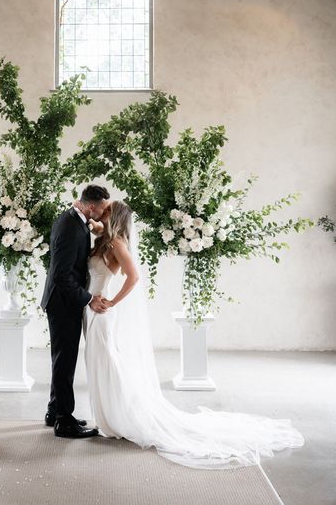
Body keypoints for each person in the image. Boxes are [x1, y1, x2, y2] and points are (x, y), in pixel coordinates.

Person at [83, 200, 305, 469]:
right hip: (91, 310)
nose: (101, 213)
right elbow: (95, 233)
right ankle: (108, 417)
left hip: (102, 311)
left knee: (108, 364)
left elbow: (134, 276)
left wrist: (113, 301)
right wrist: (91, 222)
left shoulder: (117, 243)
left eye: (106, 211)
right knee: (98, 363)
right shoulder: (105, 239)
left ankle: (120, 418)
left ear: (114, 216)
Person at [40, 184, 110, 439]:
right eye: (101, 210)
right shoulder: (71, 226)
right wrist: (88, 298)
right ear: (91, 206)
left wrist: (98, 228)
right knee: (64, 360)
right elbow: (61, 275)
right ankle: (63, 421)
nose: (103, 215)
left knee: (62, 358)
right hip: (62, 302)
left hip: (63, 301)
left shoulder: (75, 219)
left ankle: (54, 411)